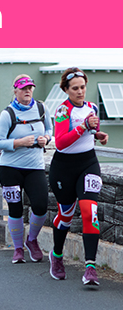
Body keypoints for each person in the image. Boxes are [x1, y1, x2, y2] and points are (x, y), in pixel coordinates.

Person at [48, 68, 108, 285]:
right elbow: (61, 141)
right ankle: (56, 255)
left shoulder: (92, 107)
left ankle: (90, 266)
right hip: (64, 167)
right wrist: (84, 126)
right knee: (66, 215)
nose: (80, 92)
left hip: (88, 163)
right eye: (75, 88)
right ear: (66, 90)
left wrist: (99, 135)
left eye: (83, 87)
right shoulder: (63, 110)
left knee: (89, 210)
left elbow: (91, 132)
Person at [0, 75, 53, 264]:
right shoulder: (8, 114)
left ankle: (32, 240)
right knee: (15, 209)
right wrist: (18, 142)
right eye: (23, 88)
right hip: (10, 167)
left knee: (41, 206)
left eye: (30, 88)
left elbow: (50, 130)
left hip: (35, 166)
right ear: (15, 91)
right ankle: (18, 249)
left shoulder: (42, 108)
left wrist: (46, 138)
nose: (28, 91)